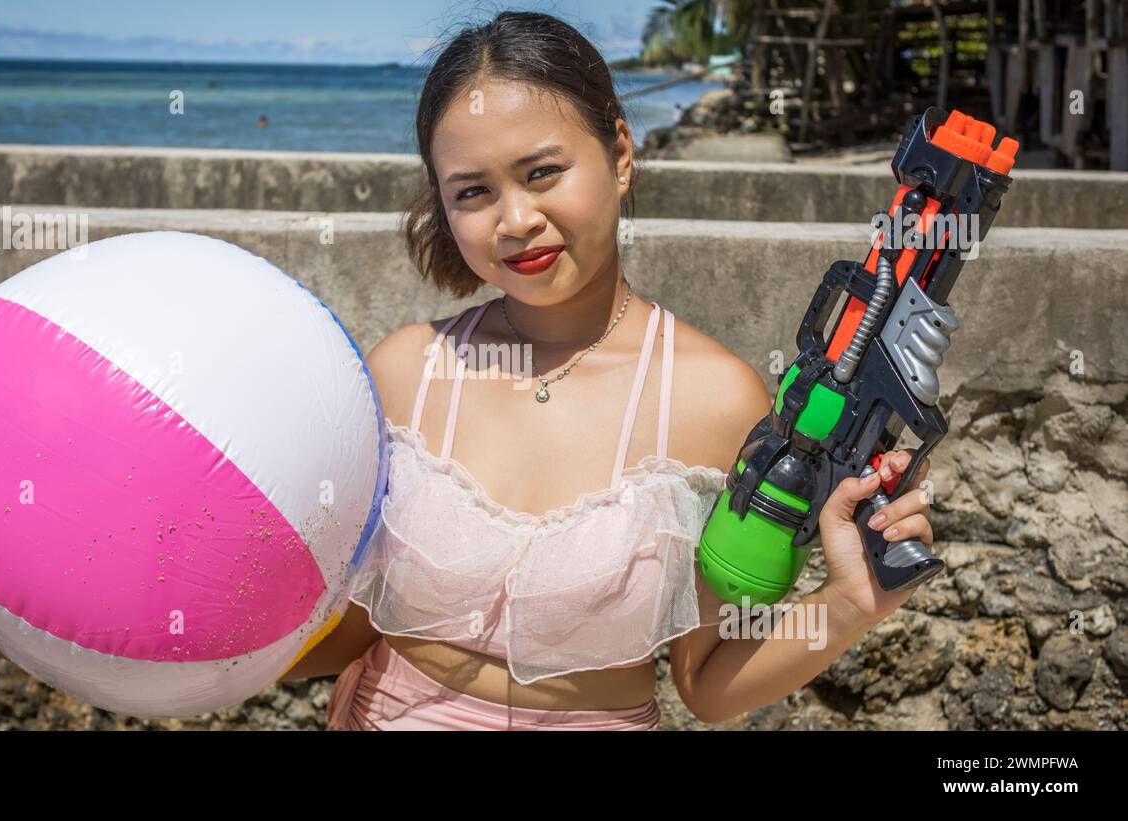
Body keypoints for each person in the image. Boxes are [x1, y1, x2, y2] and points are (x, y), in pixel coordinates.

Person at [279, 11, 933, 730]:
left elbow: (706, 682)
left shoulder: (714, 399)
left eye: (543, 172)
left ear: (621, 153)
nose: (515, 218)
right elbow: (343, 632)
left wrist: (851, 600)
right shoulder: (405, 372)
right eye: (473, 191)